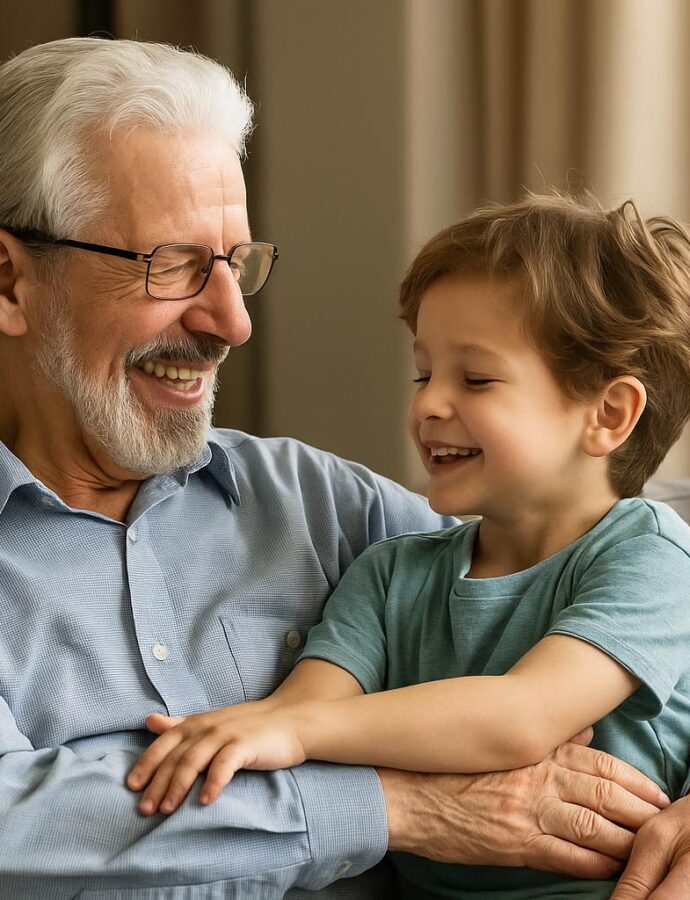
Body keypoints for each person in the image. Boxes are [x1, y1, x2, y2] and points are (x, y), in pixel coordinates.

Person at [0, 36, 670, 900]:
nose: (233, 323)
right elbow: (15, 825)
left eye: (235, 263)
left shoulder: (320, 506)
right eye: (172, 265)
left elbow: (609, 566)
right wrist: (395, 807)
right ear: (11, 283)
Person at [126, 194, 690, 900]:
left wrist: (295, 730)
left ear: (609, 414)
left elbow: (523, 718)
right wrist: (264, 730)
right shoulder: (391, 572)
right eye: (425, 374)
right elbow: (306, 706)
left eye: (475, 379)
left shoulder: (650, 557)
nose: (427, 404)